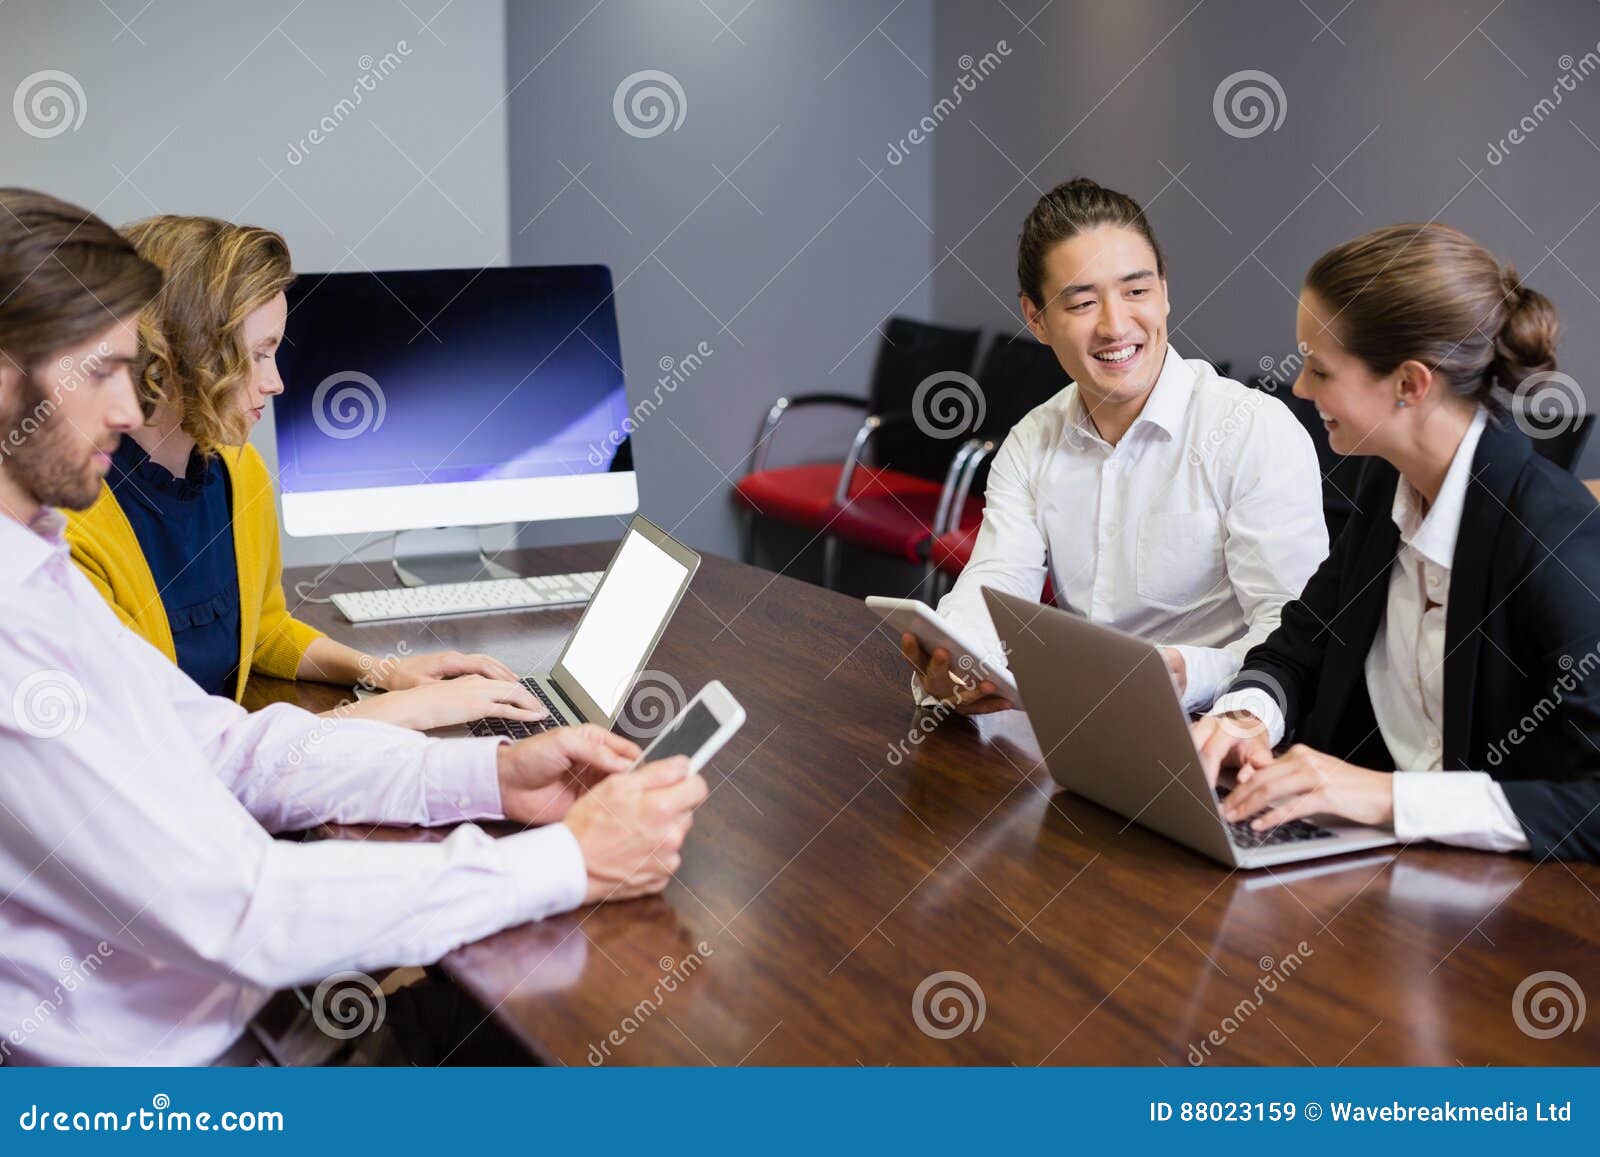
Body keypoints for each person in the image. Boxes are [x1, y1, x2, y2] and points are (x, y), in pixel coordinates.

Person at [0, 188, 707, 1065]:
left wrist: (489, 775)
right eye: (103, 370)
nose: (126, 405)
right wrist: (569, 860)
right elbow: (241, 909)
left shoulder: (35, 570)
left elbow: (222, 748)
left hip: (242, 1017)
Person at [1193, 222, 1600, 861]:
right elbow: (1300, 648)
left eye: (1319, 368)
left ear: (1410, 384)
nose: (1299, 388)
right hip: (1370, 870)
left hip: (1505, 920)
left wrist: (1387, 797)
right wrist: (1247, 719)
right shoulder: (1388, 481)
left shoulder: (1551, 533)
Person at [64, 214, 542, 731]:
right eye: (259, 354)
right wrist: (395, 713)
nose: (275, 382)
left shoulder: (238, 470)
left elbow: (264, 631)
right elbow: (154, 740)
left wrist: (389, 672)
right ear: (187, 351)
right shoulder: (70, 526)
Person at [901, 177, 1327, 715]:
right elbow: (997, 580)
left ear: (1165, 292)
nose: (1116, 324)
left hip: (1227, 725)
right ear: (1036, 318)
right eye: (1081, 302)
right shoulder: (1032, 441)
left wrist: (1179, 672)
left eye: (1136, 291)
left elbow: (1294, 637)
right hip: (1086, 723)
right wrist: (957, 657)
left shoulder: (1253, 430)